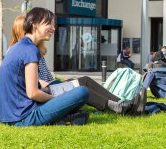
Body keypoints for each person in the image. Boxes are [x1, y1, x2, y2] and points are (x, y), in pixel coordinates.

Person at [8, 15, 141, 115]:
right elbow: (31, 82)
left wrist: (56, 81)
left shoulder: (32, 49)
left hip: (50, 85)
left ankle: (120, 103)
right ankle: (118, 106)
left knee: (85, 81)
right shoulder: (22, 51)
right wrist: (51, 85)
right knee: (81, 85)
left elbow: (44, 75)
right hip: (44, 89)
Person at [0, 7, 89, 126]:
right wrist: (56, 99)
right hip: (24, 117)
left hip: (9, 114)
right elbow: (33, 93)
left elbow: (23, 87)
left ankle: (63, 118)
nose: (53, 28)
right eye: (49, 24)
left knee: (57, 85)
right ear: (34, 25)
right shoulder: (30, 50)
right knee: (82, 92)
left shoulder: (18, 47)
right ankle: (64, 117)